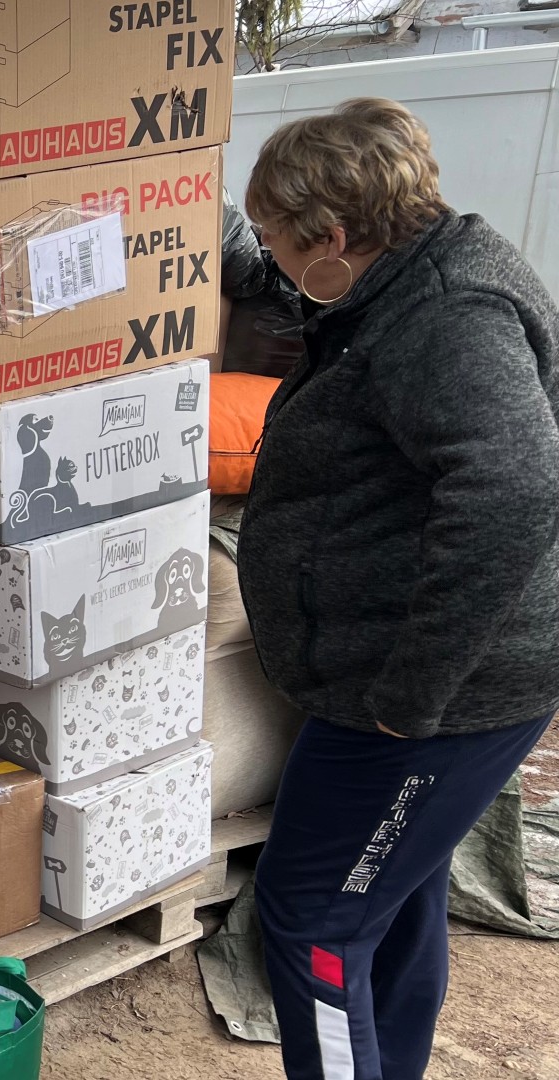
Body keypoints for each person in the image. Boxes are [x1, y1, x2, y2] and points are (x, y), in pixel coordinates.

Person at [239, 97, 559, 1079]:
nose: (272, 259)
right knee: (391, 898)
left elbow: (515, 489)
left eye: (276, 239)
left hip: (428, 700)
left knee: (312, 923)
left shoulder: (447, 314)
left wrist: (411, 697)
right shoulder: (403, 276)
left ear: (333, 236)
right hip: (410, 686)